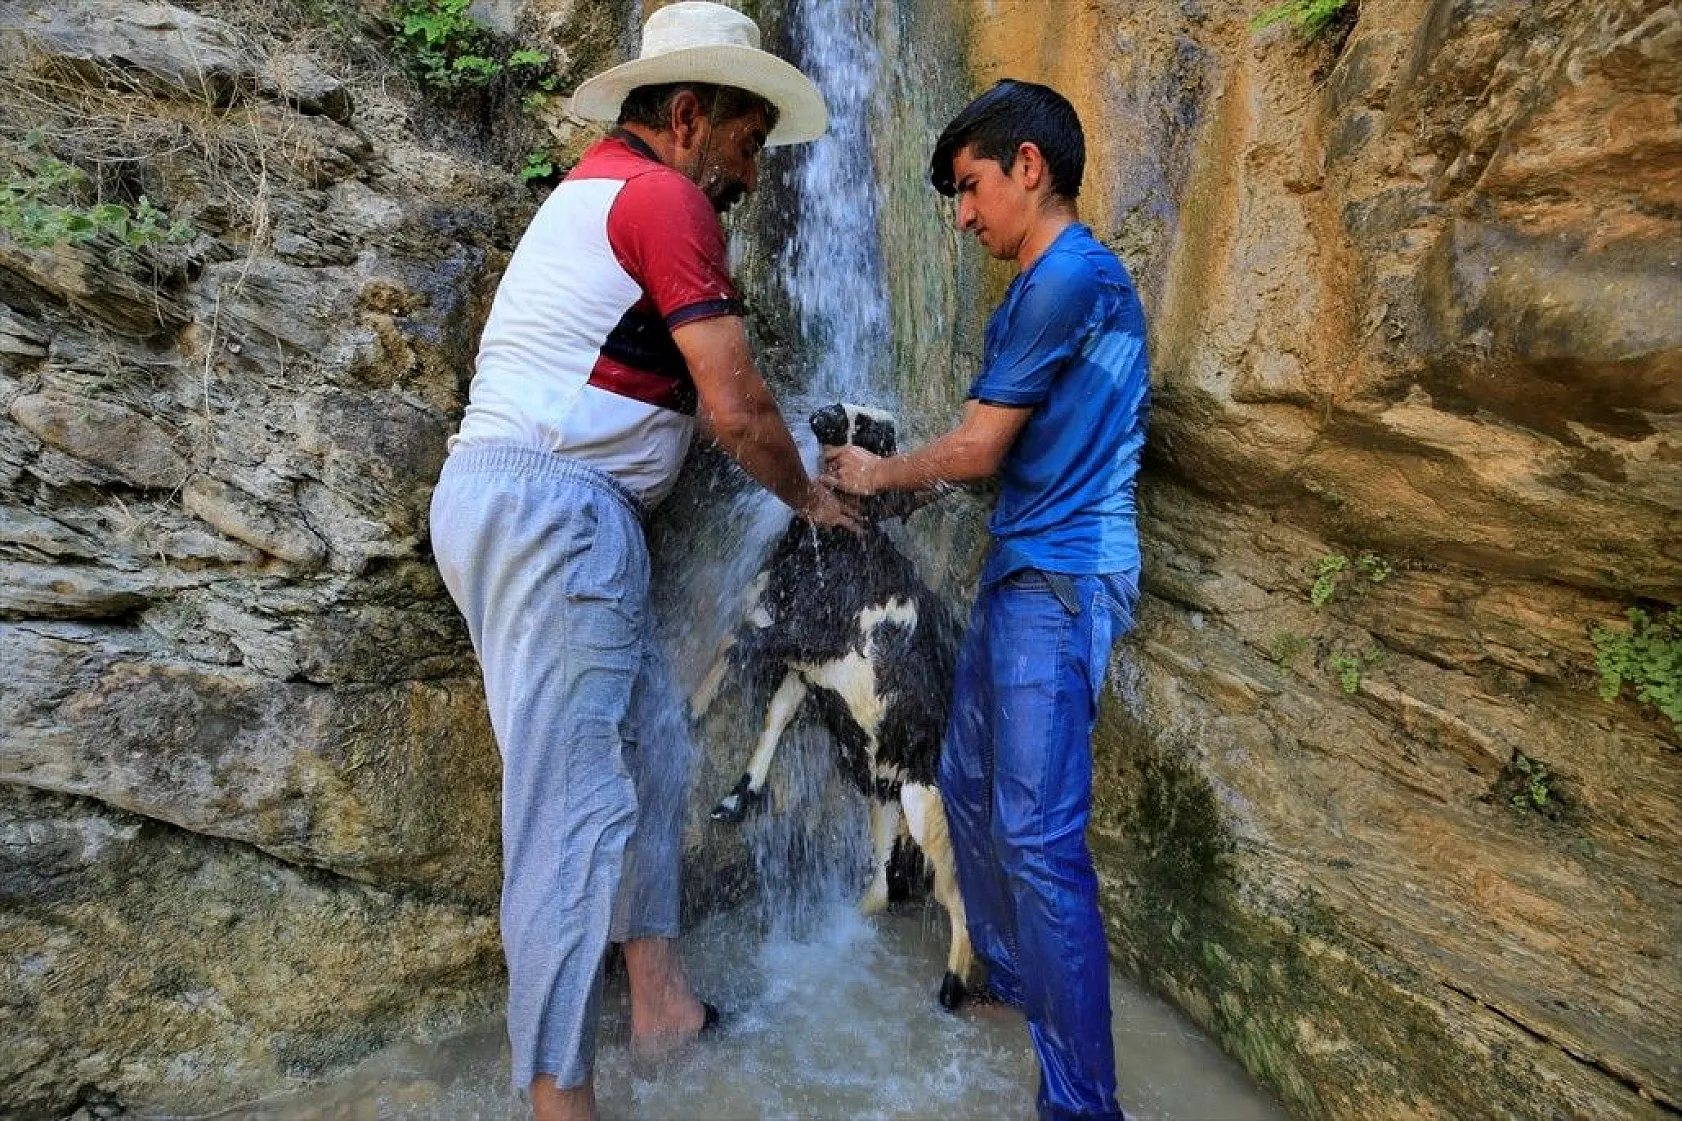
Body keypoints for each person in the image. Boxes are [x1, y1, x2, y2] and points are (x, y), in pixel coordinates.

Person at [427, 5, 855, 1120]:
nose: (752, 176)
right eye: (748, 141)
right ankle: (560, 1102)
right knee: (571, 813)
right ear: (685, 116)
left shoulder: (608, 191)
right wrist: (809, 495)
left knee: (650, 748)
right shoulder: (662, 197)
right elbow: (737, 403)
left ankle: (659, 1000)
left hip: (547, 509)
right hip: (554, 510)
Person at [822, 79, 1150, 1121]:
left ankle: (1080, 1104)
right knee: (963, 780)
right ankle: (1005, 976)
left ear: (1028, 167)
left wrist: (875, 478)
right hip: (1019, 574)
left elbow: (974, 446)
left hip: (1062, 581)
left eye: (968, 187)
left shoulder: (1070, 278)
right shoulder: (1031, 289)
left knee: (1040, 836)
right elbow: (980, 449)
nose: (959, 216)